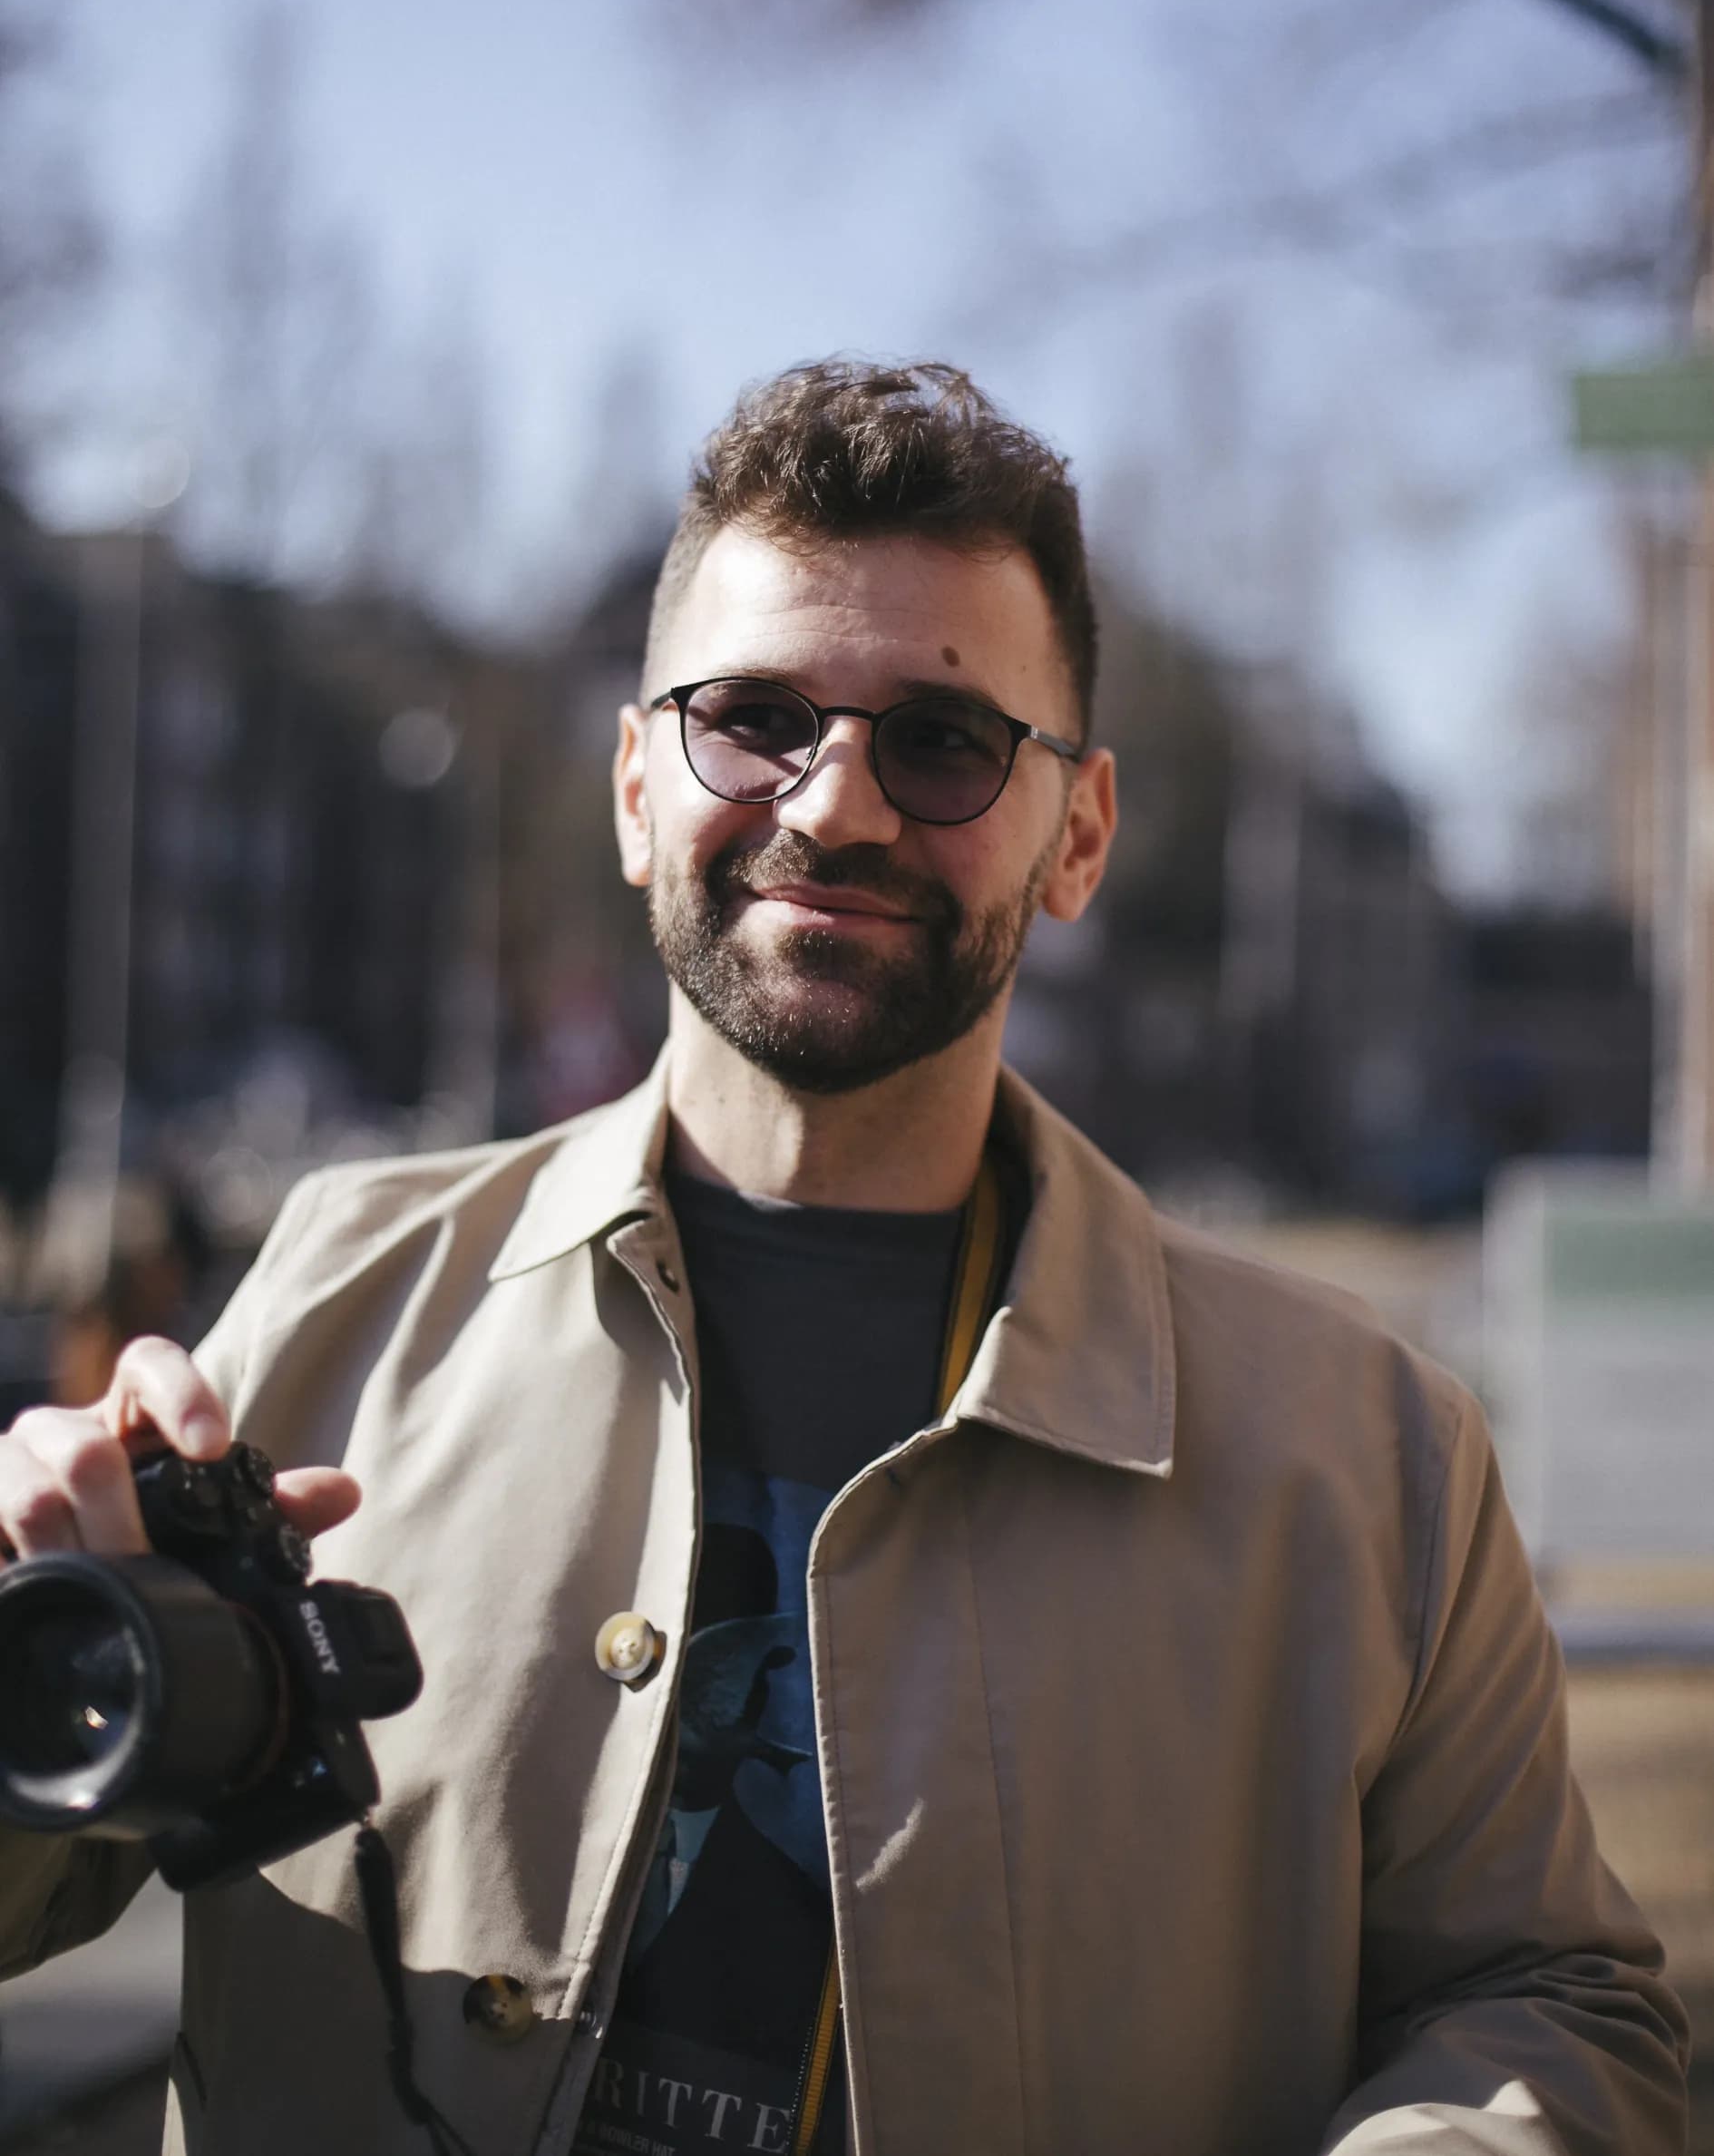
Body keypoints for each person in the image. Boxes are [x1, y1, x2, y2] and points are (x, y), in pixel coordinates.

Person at [0, 359, 1689, 2156]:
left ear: (1079, 836)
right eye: (753, 716)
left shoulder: (1370, 1461)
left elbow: (1550, 2003)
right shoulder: (338, 1294)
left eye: (942, 740)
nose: (832, 805)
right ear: (637, 786)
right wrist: (36, 1623)